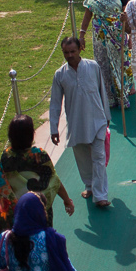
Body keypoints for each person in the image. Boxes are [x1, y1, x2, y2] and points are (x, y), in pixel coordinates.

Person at [50, 37, 111, 208]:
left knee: (99, 158)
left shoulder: (93, 67)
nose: (69, 55)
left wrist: (106, 116)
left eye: (73, 51)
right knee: (83, 159)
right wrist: (53, 128)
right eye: (66, 52)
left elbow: (102, 92)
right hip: (76, 124)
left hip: (97, 121)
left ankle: (100, 196)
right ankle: (90, 186)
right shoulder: (60, 75)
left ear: (80, 50)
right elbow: (55, 103)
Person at [0, 114, 73, 233]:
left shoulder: (6, 157)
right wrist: (67, 200)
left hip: (16, 217)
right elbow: (54, 181)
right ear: (31, 135)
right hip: (40, 213)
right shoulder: (40, 155)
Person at [77, 0, 129, 114]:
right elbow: (87, 16)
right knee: (102, 64)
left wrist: (128, 31)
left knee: (119, 64)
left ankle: (121, 95)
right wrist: (81, 35)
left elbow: (127, 16)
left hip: (117, 36)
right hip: (100, 37)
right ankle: (108, 96)